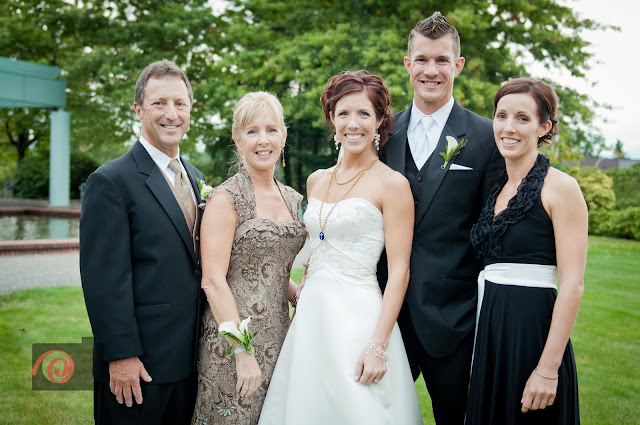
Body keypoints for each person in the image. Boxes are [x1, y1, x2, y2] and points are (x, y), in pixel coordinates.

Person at [258, 70, 422, 425]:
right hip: (311, 318)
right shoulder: (316, 180)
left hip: (359, 318)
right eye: (344, 113)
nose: (353, 123)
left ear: (379, 120)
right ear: (331, 118)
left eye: (364, 113)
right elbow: (319, 245)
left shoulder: (393, 185)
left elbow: (399, 272)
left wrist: (378, 345)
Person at [377, 11, 505, 424]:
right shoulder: (382, 133)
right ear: (407, 63)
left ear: (458, 65)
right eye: (422, 59)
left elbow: (492, 230)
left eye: (442, 60)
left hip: (454, 318)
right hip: (382, 314)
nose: (431, 70)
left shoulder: (486, 138)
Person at [80, 59, 205, 424]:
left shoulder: (196, 177)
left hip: (190, 360)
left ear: (190, 109)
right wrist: (121, 356)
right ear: (138, 109)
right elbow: (104, 280)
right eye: (159, 103)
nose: (172, 114)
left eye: (180, 103)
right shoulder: (110, 181)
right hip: (139, 367)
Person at [466, 77, 585, 424]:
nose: (508, 127)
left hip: (532, 332)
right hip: (490, 328)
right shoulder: (497, 187)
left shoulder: (562, 188)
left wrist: (548, 368)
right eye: (501, 116)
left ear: (544, 127)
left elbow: (573, 286)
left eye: (522, 118)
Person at [192, 91, 307, 425]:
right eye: (252, 131)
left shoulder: (292, 198)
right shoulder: (226, 199)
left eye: (271, 130)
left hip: (279, 337)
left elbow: (271, 267)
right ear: (237, 138)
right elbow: (213, 281)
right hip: (232, 341)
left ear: (283, 136)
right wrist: (242, 351)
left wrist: (298, 295)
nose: (263, 140)